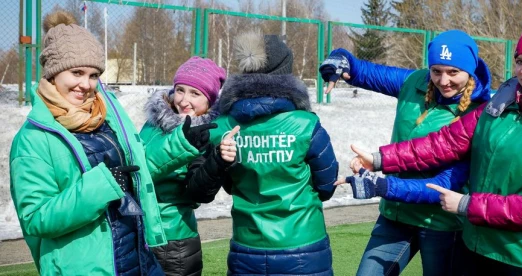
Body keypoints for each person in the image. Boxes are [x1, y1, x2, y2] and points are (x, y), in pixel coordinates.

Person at [351, 23, 522, 275]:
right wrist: (379, 159)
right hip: (475, 247)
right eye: (520, 61)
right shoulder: (499, 106)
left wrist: (467, 205)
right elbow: (443, 143)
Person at [320, 30, 492, 275]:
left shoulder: (480, 114)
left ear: (470, 70)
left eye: (453, 72)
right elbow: (361, 70)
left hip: (441, 224)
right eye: (437, 71)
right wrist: (339, 59)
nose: (443, 81)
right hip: (395, 216)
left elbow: (444, 185)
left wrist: (381, 186)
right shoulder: (415, 81)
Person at [10, 11, 166, 275]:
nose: (86, 84)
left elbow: (138, 166)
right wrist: (100, 186)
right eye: (77, 72)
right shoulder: (32, 139)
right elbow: (35, 218)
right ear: (54, 73)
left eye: (94, 75)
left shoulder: (109, 116)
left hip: (137, 258)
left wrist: (182, 144)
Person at [186, 30, 339, 275]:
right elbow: (327, 186)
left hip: (247, 244)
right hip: (303, 242)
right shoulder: (306, 124)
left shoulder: (223, 126)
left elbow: (224, 182)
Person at [139, 56, 227, 276]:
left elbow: (198, 192)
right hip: (140, 233)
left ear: (210, 101)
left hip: (173, 240)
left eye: (195, 94)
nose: (184, 100)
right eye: (180, 90)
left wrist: (216, 162)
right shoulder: (153, 124)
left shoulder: (204, 134)